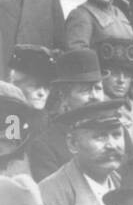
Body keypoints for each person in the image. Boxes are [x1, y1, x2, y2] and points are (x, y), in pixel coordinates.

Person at [26, 48, 105, 183]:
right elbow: (52, 196)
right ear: (64, 96)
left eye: (98, 88)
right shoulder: (46, 146)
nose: (95, 97)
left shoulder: (116, 132)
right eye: (85, 90)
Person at [97, 38, 133, 156]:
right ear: (102, 75)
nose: (121, 80)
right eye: (115, 73)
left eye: (127, 75)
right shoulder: (95, 108)